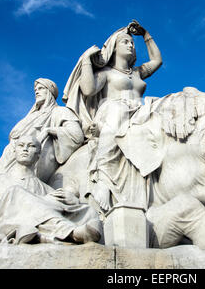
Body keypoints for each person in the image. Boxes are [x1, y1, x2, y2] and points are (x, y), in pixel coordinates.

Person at [62, 20, 162, 212]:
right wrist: (86, 62)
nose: (131, 44)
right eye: (125, 42)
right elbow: (88, 89)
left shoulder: (137, 73)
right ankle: (103, 180)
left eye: (132, 43)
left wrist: (146, 35)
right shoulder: (107, 73)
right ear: (114, 48)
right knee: (117, 113)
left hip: (138, 112)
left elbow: (157, 61)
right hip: (111, 113)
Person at [0, 135, 102, 252]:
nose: (25, 149)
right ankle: (68, 232)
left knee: (87, 210)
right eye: (21, 145)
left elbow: (63, 209)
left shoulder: (46, 189)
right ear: (15, 151)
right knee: (16, 194)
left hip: (34, 226)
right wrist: (11, 206)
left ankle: (46, 236)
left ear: (38, 155)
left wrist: (71, 201)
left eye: (31, 146)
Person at [0, 78, 84, 184]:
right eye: (36, 89)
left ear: (50, 91)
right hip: (9, 157)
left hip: (35, 158)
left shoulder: (60, 111)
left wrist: (48, 130)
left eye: (41, 88)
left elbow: (76, 134)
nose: (37, 91)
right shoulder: (30, 116)